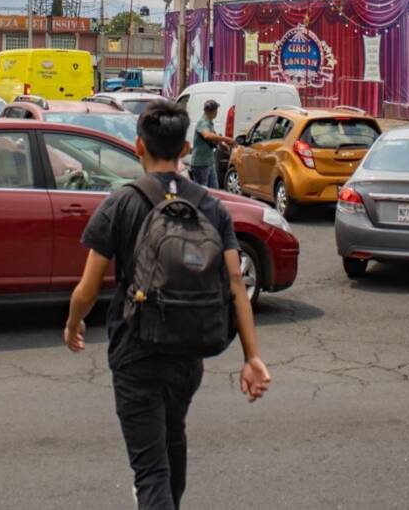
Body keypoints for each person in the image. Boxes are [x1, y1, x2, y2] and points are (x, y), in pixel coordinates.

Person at [65, 101, 270, 510]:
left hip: (136, 351)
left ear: (138, 146)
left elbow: (87, 289)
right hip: (188, 350)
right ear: (186, 148)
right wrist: (252, 357)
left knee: (150, 471)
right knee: (172, 438)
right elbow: (234, 282)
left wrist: (73, 323)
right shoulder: (212, 205)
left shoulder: (121, 202)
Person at [186, 100, 232, 189]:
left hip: (209, 162)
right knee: (202, 191)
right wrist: (227, 139)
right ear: (213, 111)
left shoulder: (209, 123)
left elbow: (213, 137)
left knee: (214, 190)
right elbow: (207, 135)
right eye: (216, 111)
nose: (216, 113)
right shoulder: (203, 122)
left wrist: (222, 144)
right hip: (201, 163)